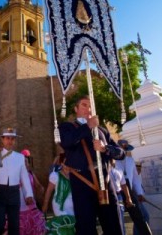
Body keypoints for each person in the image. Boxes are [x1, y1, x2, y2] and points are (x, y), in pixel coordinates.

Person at [59, 95, 126, 235]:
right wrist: (87, 126)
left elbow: (121, 153)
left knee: (114, 225)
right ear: (76, 108)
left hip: (106, 183)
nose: (88, 108)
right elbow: (66, 142)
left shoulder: (102, 131)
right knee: (86, 226)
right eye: (84, 105)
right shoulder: (67, 127)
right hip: (82, 182)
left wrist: (105, 148)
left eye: (90, 105)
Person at [0, 128, 34, 235]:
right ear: (2, 139)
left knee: (14, 225)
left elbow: (24, 177)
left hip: (14, 192)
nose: (10, 141)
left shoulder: (20, 157)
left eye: (12, 139)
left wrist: (28, 194)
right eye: (7, 138)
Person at [116, 140, 152, 235]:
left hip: (131, 192)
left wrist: (139, 193)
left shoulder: (130, 161)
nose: (123, 150)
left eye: (124, 148)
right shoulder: (112, 161)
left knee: (143, 216)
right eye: (121, 148)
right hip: (117, 194)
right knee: (119, 222)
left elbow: (135, 179)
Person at [18, 149, 46, 235]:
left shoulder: (30, 173)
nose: (26, 163)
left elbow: (38, 186)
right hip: (20, 206)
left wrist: (41, 189)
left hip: (31, 205)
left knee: (35, 226)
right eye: (24, 161)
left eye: (27, 161)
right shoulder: (16, 174)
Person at [110, 159, 133, 235]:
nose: (112, 159)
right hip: (108, 195)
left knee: (120, 220)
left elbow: (123, 185)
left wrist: (128, 198)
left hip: (118, 195)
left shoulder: (119, 169)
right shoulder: (104, 169)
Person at [133, 162, 150, 235]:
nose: (139, 171)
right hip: (136, 200)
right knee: (144, 217)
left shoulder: (137, 178)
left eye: (140, 169)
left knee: (142, 218)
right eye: (137, 169)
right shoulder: (132, 177)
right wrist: (138, 196)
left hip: (139, 200)